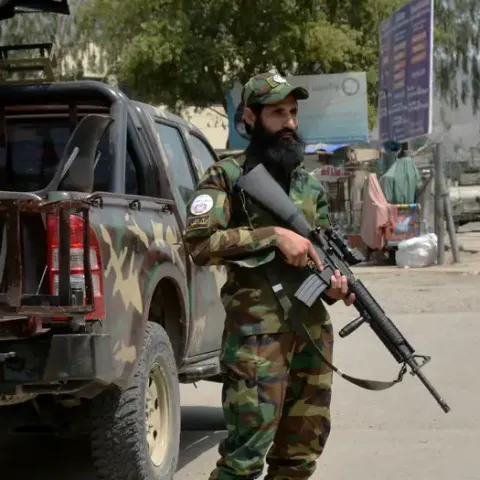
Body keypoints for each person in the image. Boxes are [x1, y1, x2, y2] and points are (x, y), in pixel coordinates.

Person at [184, 72, 355, 480]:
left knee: (299, 458)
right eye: (278, 112)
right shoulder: (226, 176)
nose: (290, 121)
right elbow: (198, 244)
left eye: (293, 112)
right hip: (256, 338)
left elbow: (324, 255)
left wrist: (336, 285)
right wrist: (273, 236)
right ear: (250, 117)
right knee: (243, 460)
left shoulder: (308, 186)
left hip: (311, 335)